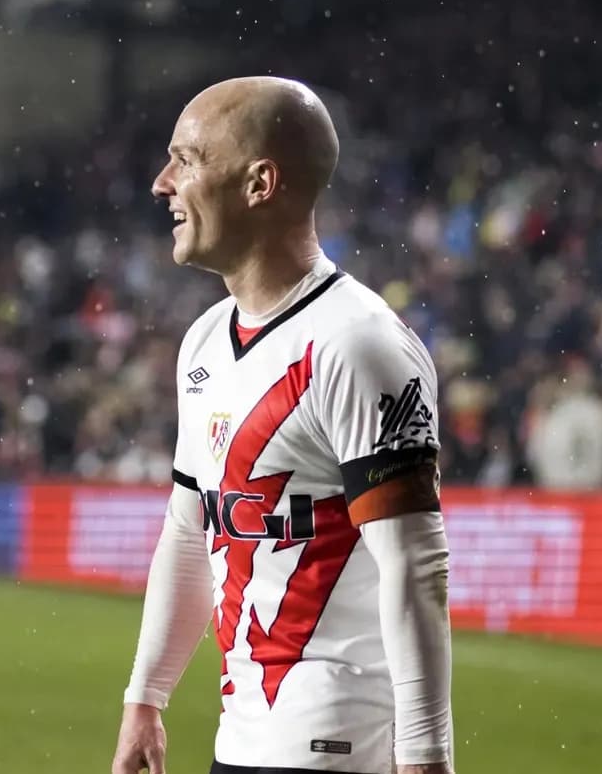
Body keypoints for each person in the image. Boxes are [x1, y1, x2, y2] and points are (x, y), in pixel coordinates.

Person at [112, 77, 455, 774]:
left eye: (187, 159)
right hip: (242, 737)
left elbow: (414, 563)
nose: (162, 183)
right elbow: (190, 531)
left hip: (334, 741)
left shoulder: (358, 344)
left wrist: (425, 755)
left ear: (260, 184)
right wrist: (145, 696)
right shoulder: (205, 343)